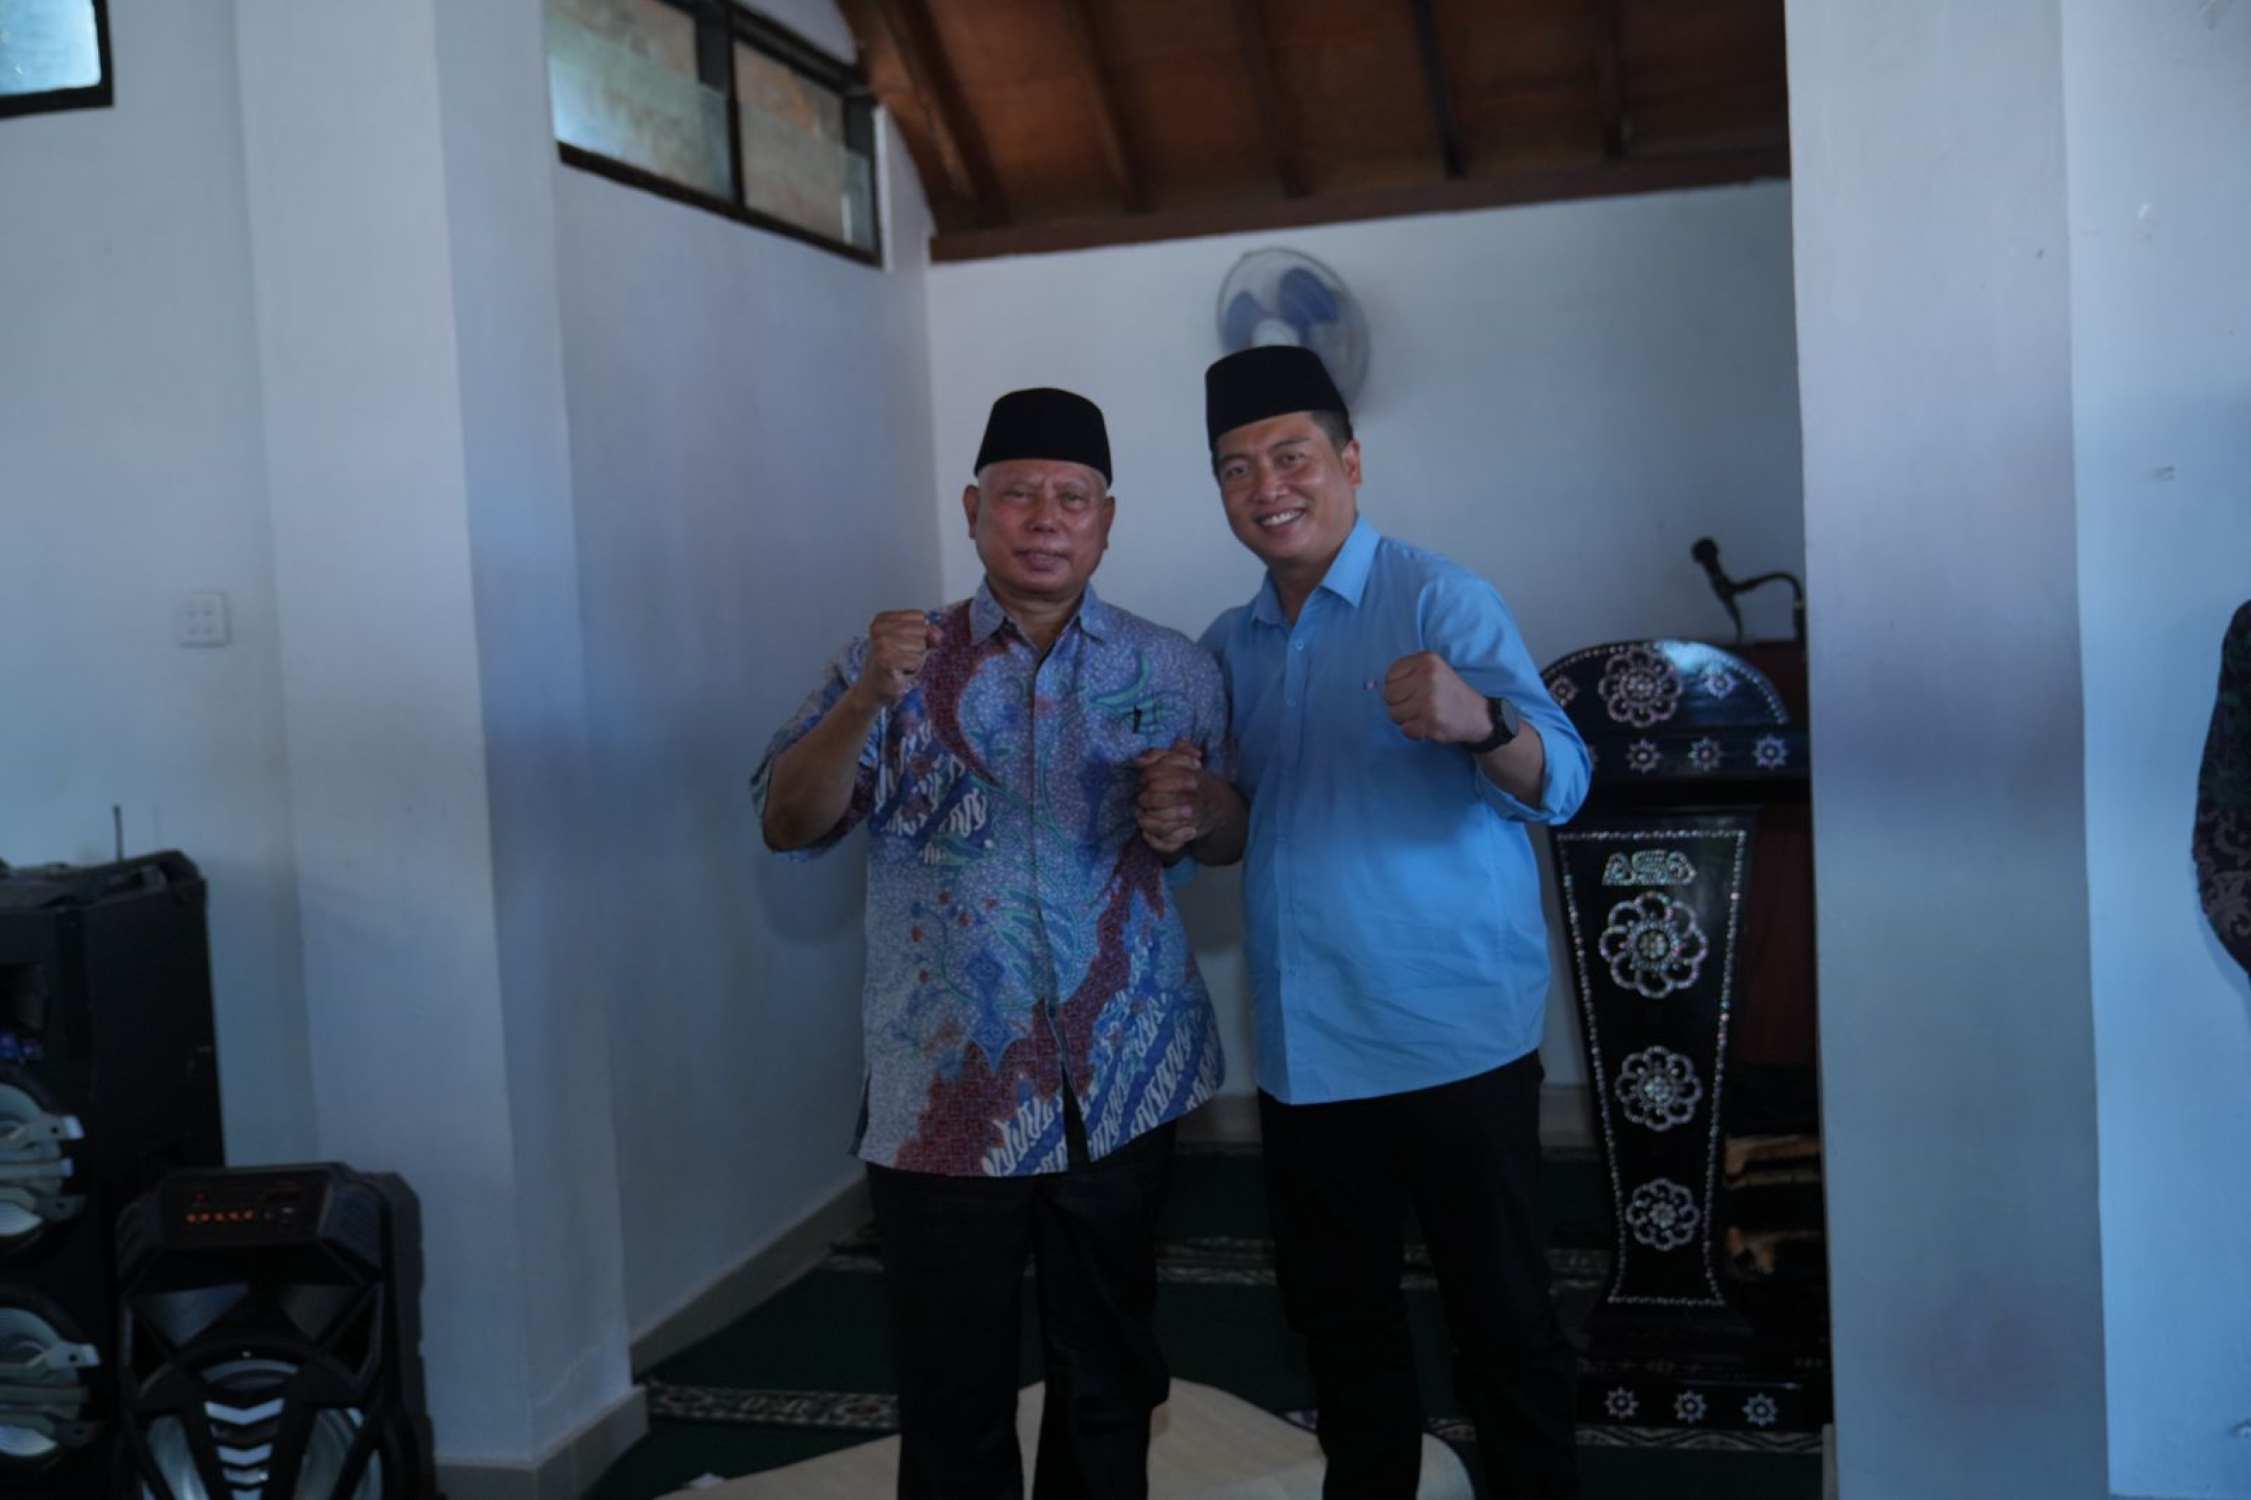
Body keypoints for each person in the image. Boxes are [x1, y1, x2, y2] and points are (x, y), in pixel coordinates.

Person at [753, 387, 1232, 1500]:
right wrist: (866, 701)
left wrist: (1196, 809)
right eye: (1018, 494)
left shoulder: (1173, 668)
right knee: (950, 1393)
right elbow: (788, 823)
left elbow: (1225, 832)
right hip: (945, 1093)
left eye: (1072, 497)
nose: (1045, 518)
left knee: (1109, 1377)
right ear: (973, 510)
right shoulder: (890, 659)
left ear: (1106, 521)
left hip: (1126, 1077)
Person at [1137, 346, 1592, 1498]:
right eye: (1236, 468)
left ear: (1349, 461)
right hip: (1308, 1046)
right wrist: (1196, 813)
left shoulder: (1438, 598)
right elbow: (1240, 833)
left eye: (1290, 456)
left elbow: (1565, 780)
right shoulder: (1228, 644)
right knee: (1338, 1327)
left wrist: (1481, 719)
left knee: (1503, 1322)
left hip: (1452, 1036)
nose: (1267, 487)